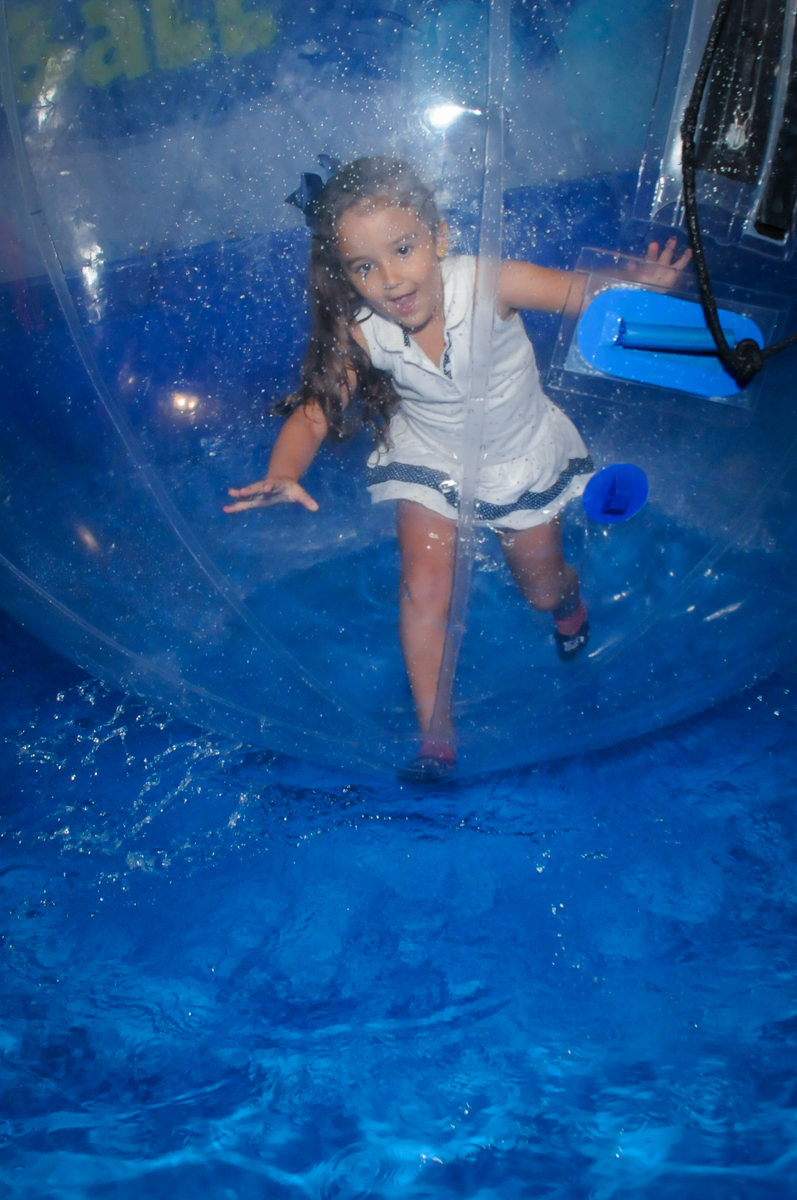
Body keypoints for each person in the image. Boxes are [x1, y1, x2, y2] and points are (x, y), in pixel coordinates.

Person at [225, 157, 690, 781]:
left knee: (539, 586)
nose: (391, 279)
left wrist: (641, 285)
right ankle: (436, 733)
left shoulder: (489, 282)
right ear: (348, 276)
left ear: (439, 239)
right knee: (424, 586)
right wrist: (285, 472)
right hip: (431, 459)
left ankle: (567, 600)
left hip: (517, 456)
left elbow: (583, 295)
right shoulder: (362, 330)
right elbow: (314, 414)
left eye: (404, 249)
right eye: (366, 266)